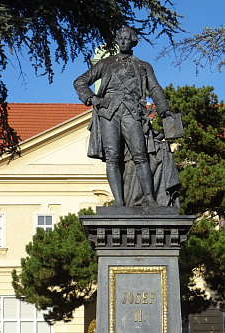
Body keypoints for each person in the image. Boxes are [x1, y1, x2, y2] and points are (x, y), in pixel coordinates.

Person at [73, 26, 181, 207]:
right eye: (120, 38)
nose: (123, 41)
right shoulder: (105, 63)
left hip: (132, 112)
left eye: (127, 38)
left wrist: (164, 109)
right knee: (112, 156)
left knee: (140, 155)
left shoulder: (143, 66)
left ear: (134, 41)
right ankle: (119, 203)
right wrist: (92, 98)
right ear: (117, 41)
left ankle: (150, 199)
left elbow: (154, 88)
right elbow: (80, 82)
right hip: (109, 113)